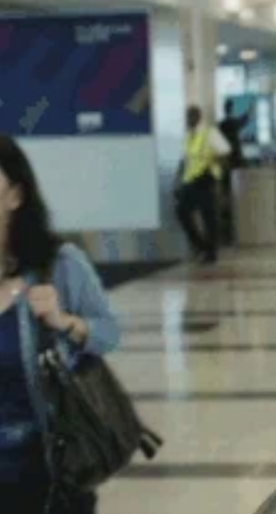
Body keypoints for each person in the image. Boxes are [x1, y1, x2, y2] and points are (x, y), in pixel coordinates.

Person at [0, 135, 120, 514]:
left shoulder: (59, 264)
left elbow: (108, 332)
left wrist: (64, 321)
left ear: (15, 195)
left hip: (50, 472)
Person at [176, 105, 230, 265]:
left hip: (206, 181)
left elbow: (225, 154)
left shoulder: (210, 133)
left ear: (198, 117)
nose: (188, 120)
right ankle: (202, 246)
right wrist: (179, 180)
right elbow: (185, 160)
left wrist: (215, 175)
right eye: (187, 117)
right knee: (181, 212)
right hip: (191, 182)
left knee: (209, 218)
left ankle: (211, 252)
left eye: (190, 116)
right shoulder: (187, 136)